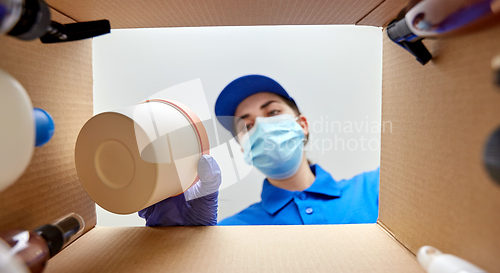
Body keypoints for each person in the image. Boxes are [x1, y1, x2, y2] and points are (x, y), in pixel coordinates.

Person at [138, 74, 379, 226]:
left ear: (302, 125)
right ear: (243, 147)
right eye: (247, 125)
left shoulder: (376, 188)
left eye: (273, 112)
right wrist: (177, 246)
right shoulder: (233, 231)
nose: (262, 127)